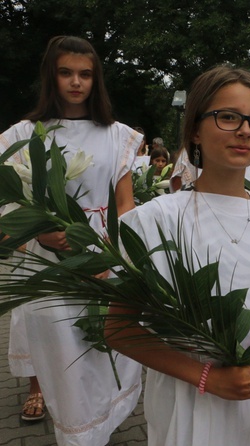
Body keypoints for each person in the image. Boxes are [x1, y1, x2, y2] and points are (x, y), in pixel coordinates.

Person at [105, 65, 250, 446]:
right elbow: (119, 329)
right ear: (195, 129)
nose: (245, 130)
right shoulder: (154, 220)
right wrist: (208, 377)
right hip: (189, 398)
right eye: (228, 117)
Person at [0, 36, 143, 444]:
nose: (76, 82)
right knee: (62, 354)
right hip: (47, 264)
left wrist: (117, 258)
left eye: (85, 74)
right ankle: (75, 430)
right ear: (51, 76)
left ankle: (100, 424)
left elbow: (124, 203)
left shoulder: (117, 135)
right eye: (66, 73)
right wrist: (37, 229)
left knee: (102, 347)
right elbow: (6, 198)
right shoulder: (24, 135)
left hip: (102, 254)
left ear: (96, 80)